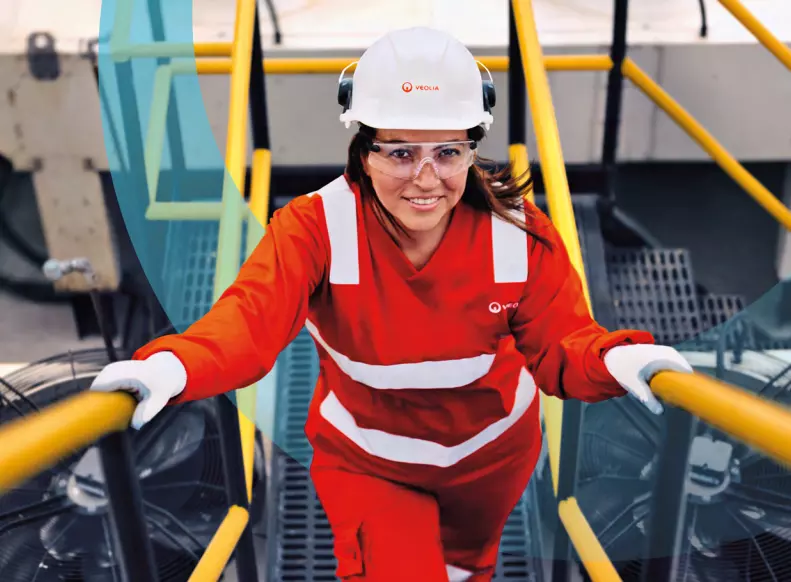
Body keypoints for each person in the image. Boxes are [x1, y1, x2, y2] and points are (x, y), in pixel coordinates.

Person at [91, 27, 693, 582]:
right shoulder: (314, 229)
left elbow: (563, 344)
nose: (426, 179)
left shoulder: (519, 235)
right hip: (370, 464)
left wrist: (621, 360)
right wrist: (171, 367)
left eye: (448, 152)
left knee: (468, 569)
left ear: (472, 148)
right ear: (364, 149)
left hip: (489, 461)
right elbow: (249, 320)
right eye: (400, 153)